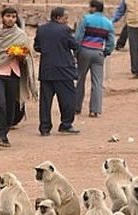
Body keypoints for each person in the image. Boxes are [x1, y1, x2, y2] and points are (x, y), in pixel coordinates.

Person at [0, 7, 37, 147]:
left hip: (14, 73)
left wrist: (21, 55)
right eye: (8, 16)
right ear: (2, 17)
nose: (10, 19)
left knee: (11, 106)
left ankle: (5, 133)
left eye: (13, 17)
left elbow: (28, 57)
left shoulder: (21, 35)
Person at [33, 7, 80, 136]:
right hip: (63, 70)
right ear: (58, 18)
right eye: (65, 18)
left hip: (46, 70)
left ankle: (45, 127)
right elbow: (74, 45)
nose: (67, 21)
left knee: (45, 102)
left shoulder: (41, 29)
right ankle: (66, 124)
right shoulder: (65, 30)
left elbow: (37, 47)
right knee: (68, 99)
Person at [74, 0, 115, 118]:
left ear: (94, 8)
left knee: (80, 79)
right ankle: (94, 110)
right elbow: (111, 42)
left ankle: (77, 107)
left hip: (85, 51)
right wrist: (106, 52)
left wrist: (76, 51)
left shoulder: (86, 19)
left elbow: (78, 37)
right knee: (97, 82)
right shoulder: (108, 23)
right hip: (98, 52)